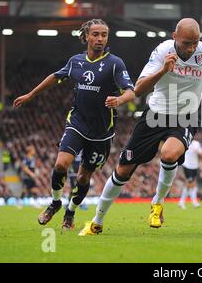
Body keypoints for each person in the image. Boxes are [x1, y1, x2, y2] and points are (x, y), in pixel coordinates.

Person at [79, 17, 202, 235]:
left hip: (186, 115)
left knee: (169, 154)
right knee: (123, 171)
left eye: (195, 42)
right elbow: (139, 88)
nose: (192, 48)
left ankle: (157, 203)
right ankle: (97, 221)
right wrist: (164, 70)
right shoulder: (162, 51)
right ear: (175, 37)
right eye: (186, 43)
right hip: (155, 114)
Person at [13, 19, 135, 229]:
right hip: (77, 122)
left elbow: (131, 91)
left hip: (101, 133)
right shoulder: (76, 61)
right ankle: (55, 203)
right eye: (95, 34)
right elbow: (55, 76)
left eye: (104, 35)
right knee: (61, 164)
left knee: (83, 177)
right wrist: (31, 94)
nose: (100, 39)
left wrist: (119, 100)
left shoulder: (115, 63)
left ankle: (70, 212)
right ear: (86, 36)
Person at [178, 139, 202, 209]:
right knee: (191, 183)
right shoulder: (185, 141)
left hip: (195, 166)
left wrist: (197, 151)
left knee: (189, 184)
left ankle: (181, 201)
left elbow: (201, 153)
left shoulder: (197, 143)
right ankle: (194, 202)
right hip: (187, 165)